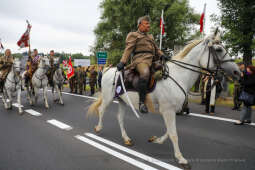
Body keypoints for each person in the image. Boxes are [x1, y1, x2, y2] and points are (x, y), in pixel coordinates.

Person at [116, 15, 170, 113]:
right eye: (146, 23)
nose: (149, 26)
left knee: (167, 71)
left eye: (149, 24)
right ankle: (141, 103)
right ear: (140, 25)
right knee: (145, 73)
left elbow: (157, 49)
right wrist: (122, 62)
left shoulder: (150, 36)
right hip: (140, 60)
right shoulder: (133, 35)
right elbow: (128, 49)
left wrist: (162, 55)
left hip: (153, 60)